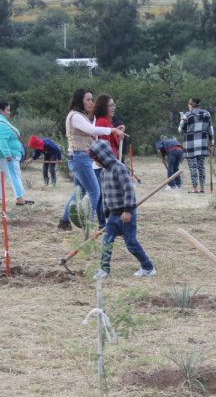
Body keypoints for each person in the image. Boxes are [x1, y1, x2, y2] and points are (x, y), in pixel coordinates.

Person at [58, 89, 124, 231]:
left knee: (79, 192)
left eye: (91, 99)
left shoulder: (79, 116)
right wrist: (111, 130)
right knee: (94, 191)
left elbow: (91, 132)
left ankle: (64, 221)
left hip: (80, 157)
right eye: (88, 99)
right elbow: (91, 130)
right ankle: (88, 225)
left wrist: (111, 130)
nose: (91, 103)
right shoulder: (75, 116)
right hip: (80, 157)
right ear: (79, 100)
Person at [89, 141, 156, 279]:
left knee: (130, 242)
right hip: (113, 215)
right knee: (107, 242)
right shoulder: (103, 173)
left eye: (96, 160)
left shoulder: (119, 168)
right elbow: (105, 194)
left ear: (103, 156)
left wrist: (127, 210)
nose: (96, 163)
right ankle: (104, 270)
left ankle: (148, 267)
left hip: (126, 213)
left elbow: (129, 189)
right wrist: (106, 213)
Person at [0, 101, 33, 206]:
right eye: (7, 110)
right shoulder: (0, 124)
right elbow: (1, 140)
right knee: (15, 175)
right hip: (6, 156)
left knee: (0, 176)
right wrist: (7, 155)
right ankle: (20, 199)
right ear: (1, 111)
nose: (9, 112)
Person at [93, 94, 126, 228]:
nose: (114, 108)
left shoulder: (105, 121)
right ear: (104, 107)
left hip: (108, 160)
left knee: (105, 193)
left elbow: (112, 140)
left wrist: (117, 132)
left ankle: (106, 223)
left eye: (114, 105)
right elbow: (105, 143)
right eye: (111, 105)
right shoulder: (103, 121)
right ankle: (103, 224)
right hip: (105, 162)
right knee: (104, 194)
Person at [178, 97, 214, 194]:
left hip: (190, 145)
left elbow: (180, 130)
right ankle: (202, 187)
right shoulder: (207, 114)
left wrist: (182, 120)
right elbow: (210, 130)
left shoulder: (187, 115)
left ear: (191, 105)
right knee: (201, 167)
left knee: (193, 167)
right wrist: (212, 144)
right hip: (202, 144)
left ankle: (195, 188)